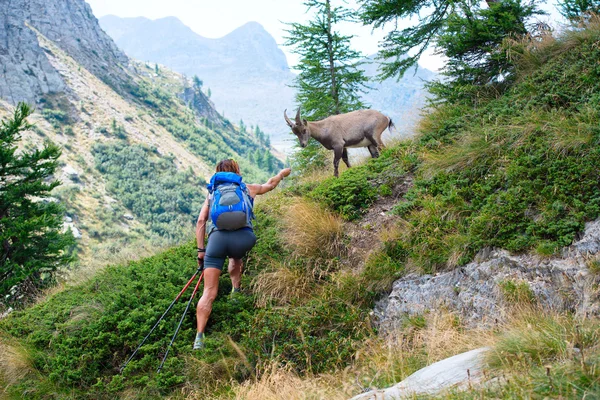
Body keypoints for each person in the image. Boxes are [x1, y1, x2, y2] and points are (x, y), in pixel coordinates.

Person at [193, 159, 291, 349]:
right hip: (244, 238)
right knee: (235, 256)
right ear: (236, 171)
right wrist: (282, 174)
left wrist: (201, 251)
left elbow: (201, 221)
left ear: (218, 173)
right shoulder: (247, 189)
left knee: (209, 292)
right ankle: (236, 292)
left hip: (216, 241)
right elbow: (270, 184)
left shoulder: (212, 194)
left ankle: (199, 337)